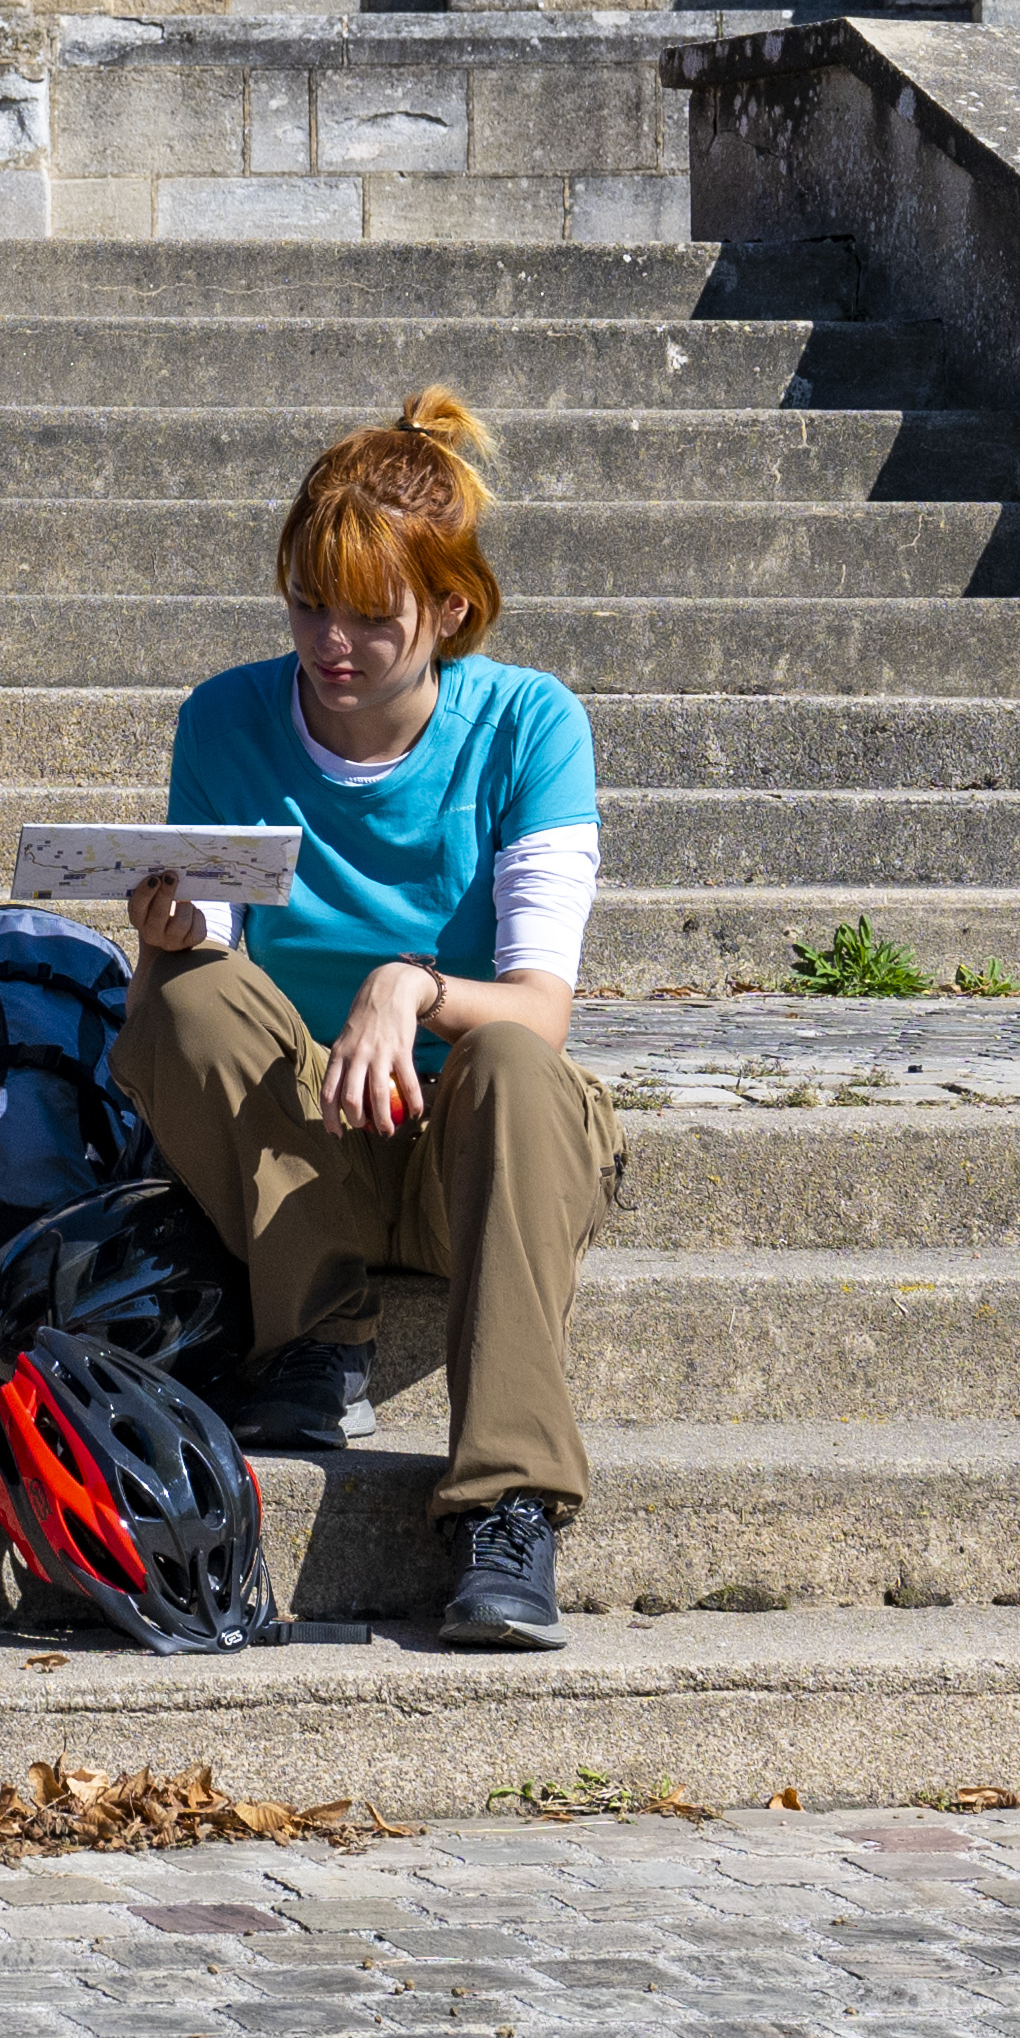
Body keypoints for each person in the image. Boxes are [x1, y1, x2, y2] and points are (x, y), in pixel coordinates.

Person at [116, 388, 607, 1650]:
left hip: (474, 1145)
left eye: (369, 616)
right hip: (307, 1137)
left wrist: (414, 984)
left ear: (448, 609)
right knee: (178, 991)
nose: (329, 644)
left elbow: (542, 1008)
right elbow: (221, 969)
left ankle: (510, 1507)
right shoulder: (226, 716)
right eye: (305, 605)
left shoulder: (529, 724)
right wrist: (181, 933)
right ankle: (313, 1336)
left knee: (507, 1052)